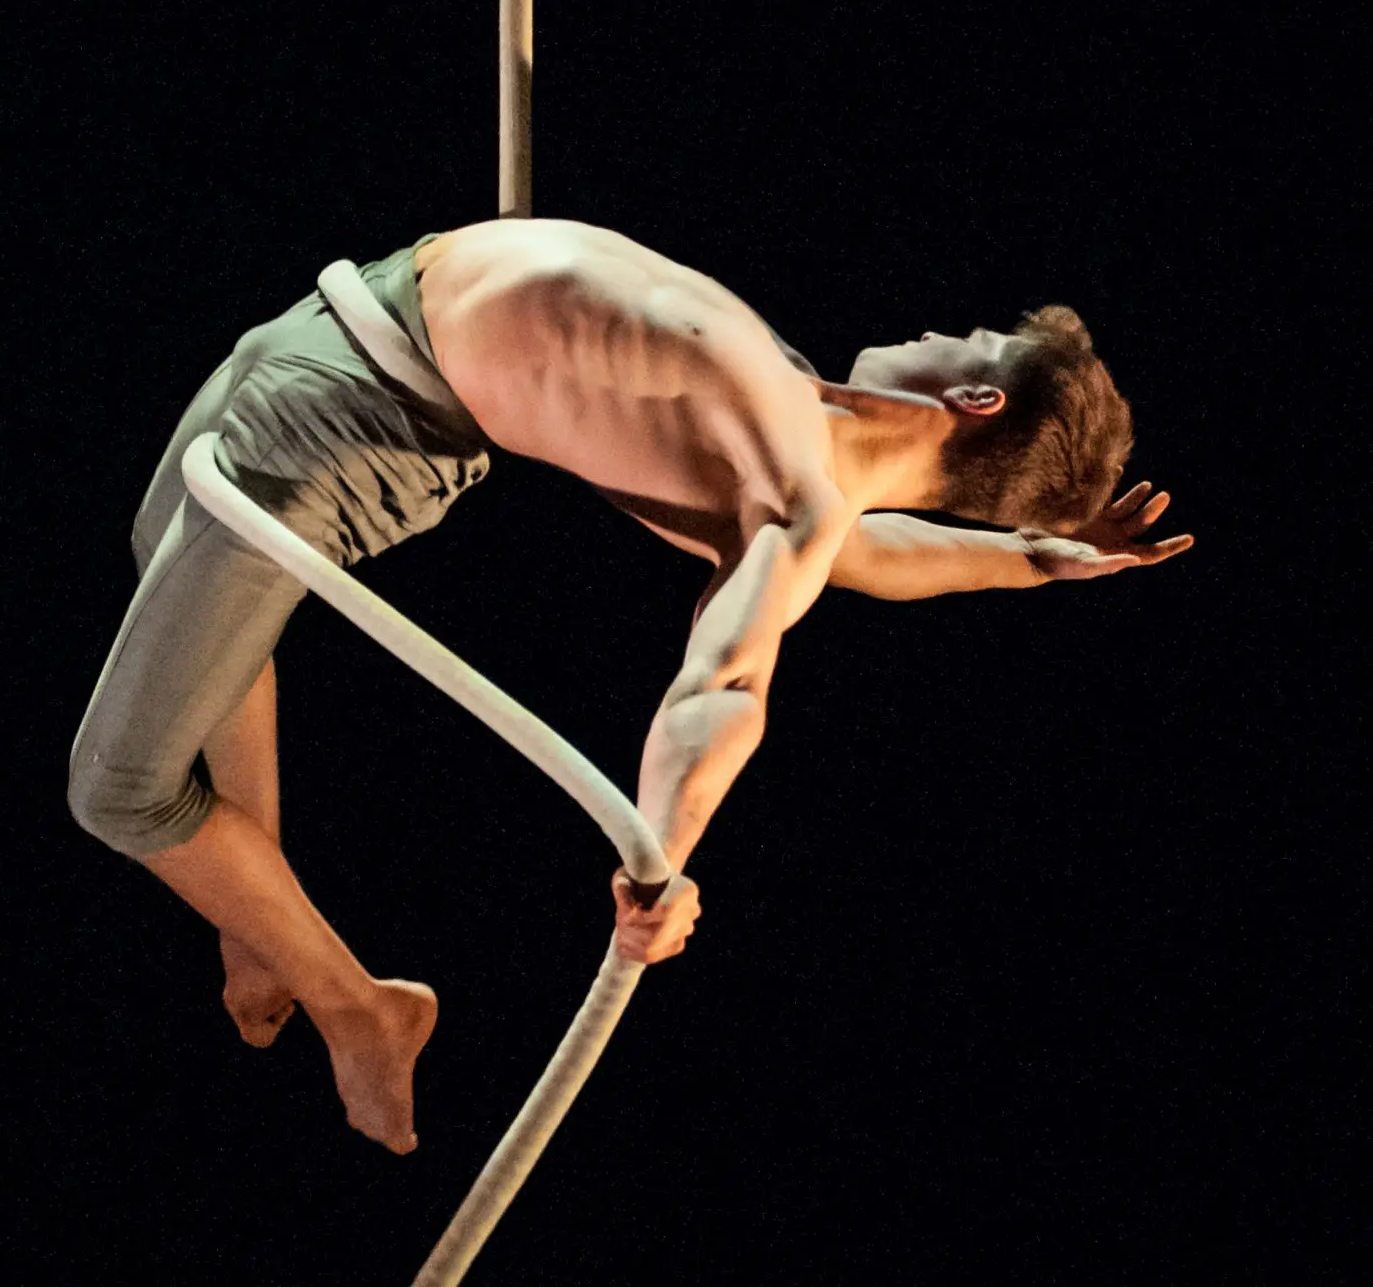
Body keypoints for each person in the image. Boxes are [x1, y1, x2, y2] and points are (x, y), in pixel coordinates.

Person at [69, 218, 1191, 1153]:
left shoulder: (788, 485)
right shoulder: (811, 440)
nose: (937, 328)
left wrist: (659, 856)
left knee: (118, 788)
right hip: (336, 325)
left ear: (977, 402)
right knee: (160, 562)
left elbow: (727, 683)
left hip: (350, 417)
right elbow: (880, 557)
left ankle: (360, 1006)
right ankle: (250, 919)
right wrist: (1033, 555)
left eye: (969, 338)